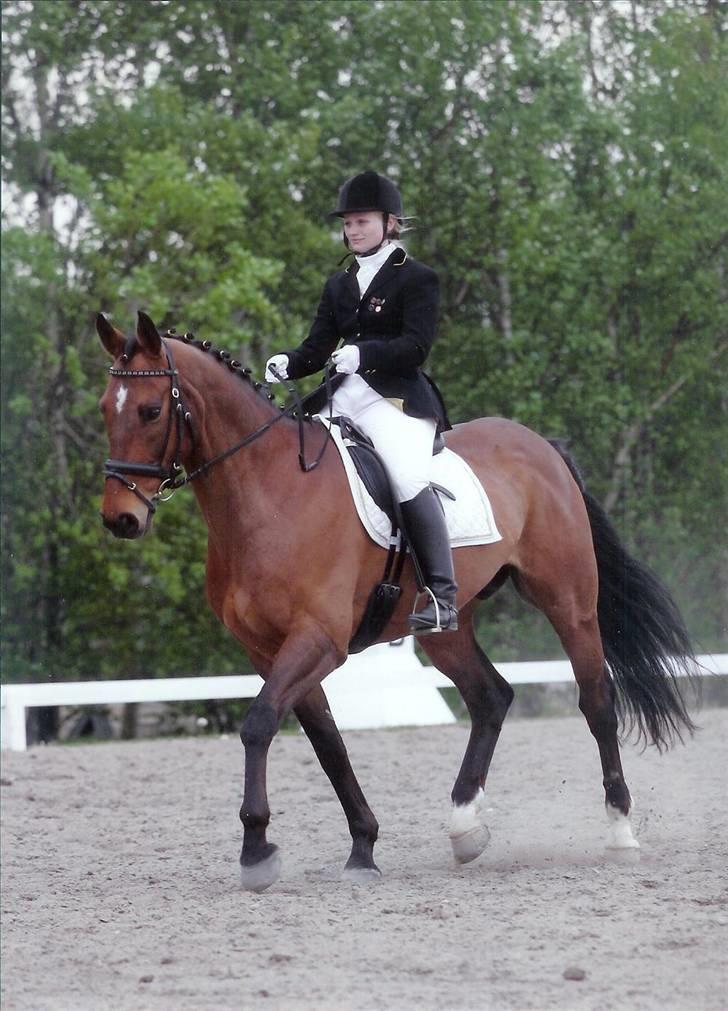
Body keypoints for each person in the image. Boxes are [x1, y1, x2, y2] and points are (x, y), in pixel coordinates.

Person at [265, 170, 457, 634]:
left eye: (362, 222)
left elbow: (416, 347)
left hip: (396, 400)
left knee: (407, 475)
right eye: (348, 223)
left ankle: (441, 596)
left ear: (390, 223)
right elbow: (316, 349)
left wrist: (364, 352)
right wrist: (288, 364)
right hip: (343, 397)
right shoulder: (339, 284)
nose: (353, 230)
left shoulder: (417, 278)